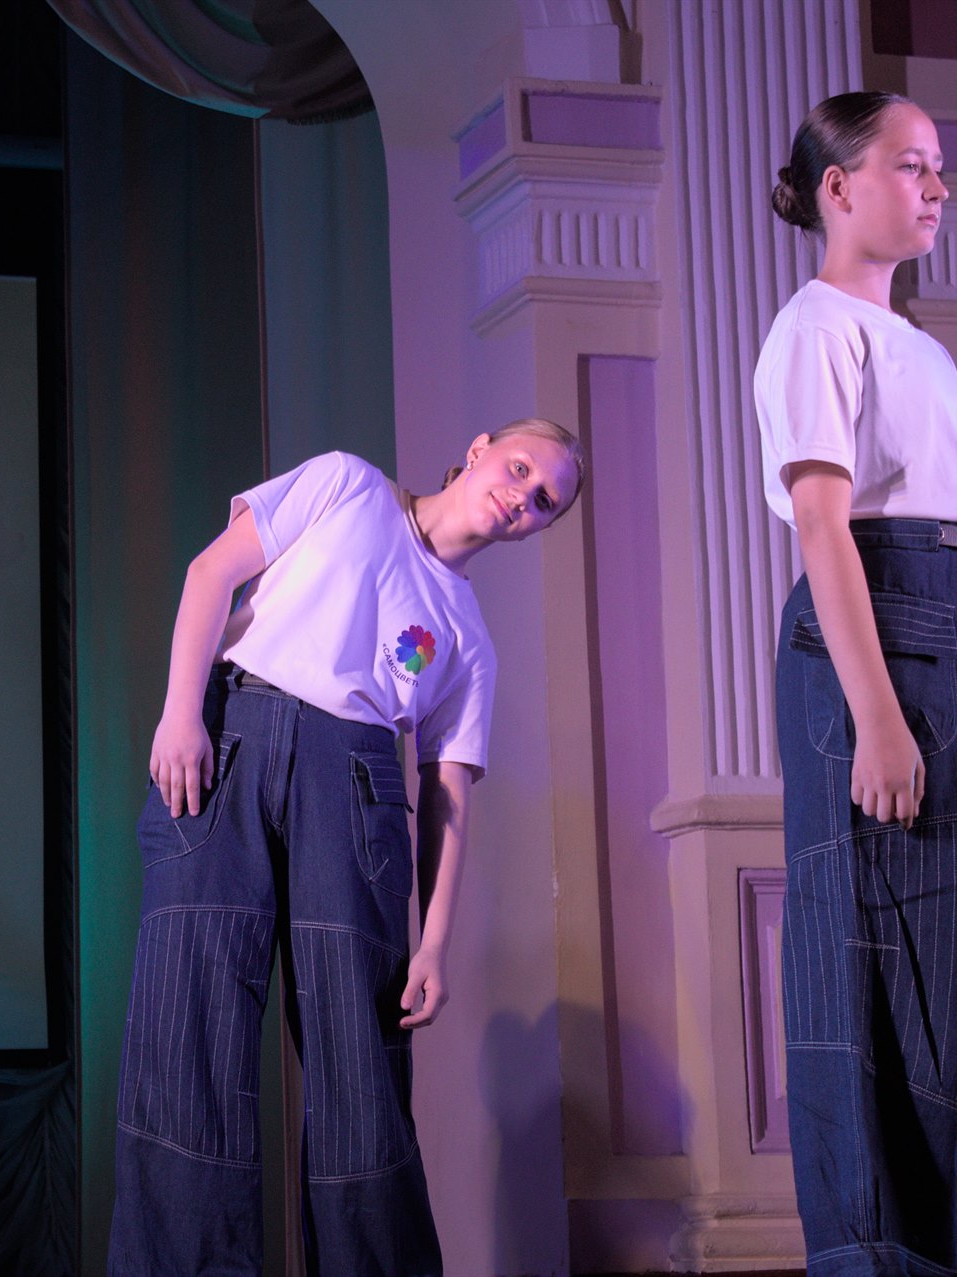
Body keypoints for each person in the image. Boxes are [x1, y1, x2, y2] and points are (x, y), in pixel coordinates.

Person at [107, 423, 585, 1277]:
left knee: (359, 1073)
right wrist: (181, 712)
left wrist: (433, 941)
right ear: (479, 450)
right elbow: (212, 572)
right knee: (187, 1037)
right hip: (234, 736)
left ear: (541, 525)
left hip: (356, 786)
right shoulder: (348, 484)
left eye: (544, 498)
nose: (523, 494)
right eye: (519, 468)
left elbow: (448, 796)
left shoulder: (467, 638)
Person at [755, 91, 957, 1276]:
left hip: (952, 620)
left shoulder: (920, 344)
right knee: (888, 950)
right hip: (885, 621)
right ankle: (884, 1255)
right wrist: (875, 712)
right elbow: (823, 521)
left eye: (939, 167)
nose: (937, 188)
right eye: (913, 165)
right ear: (839, 187)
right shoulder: (815, 327)